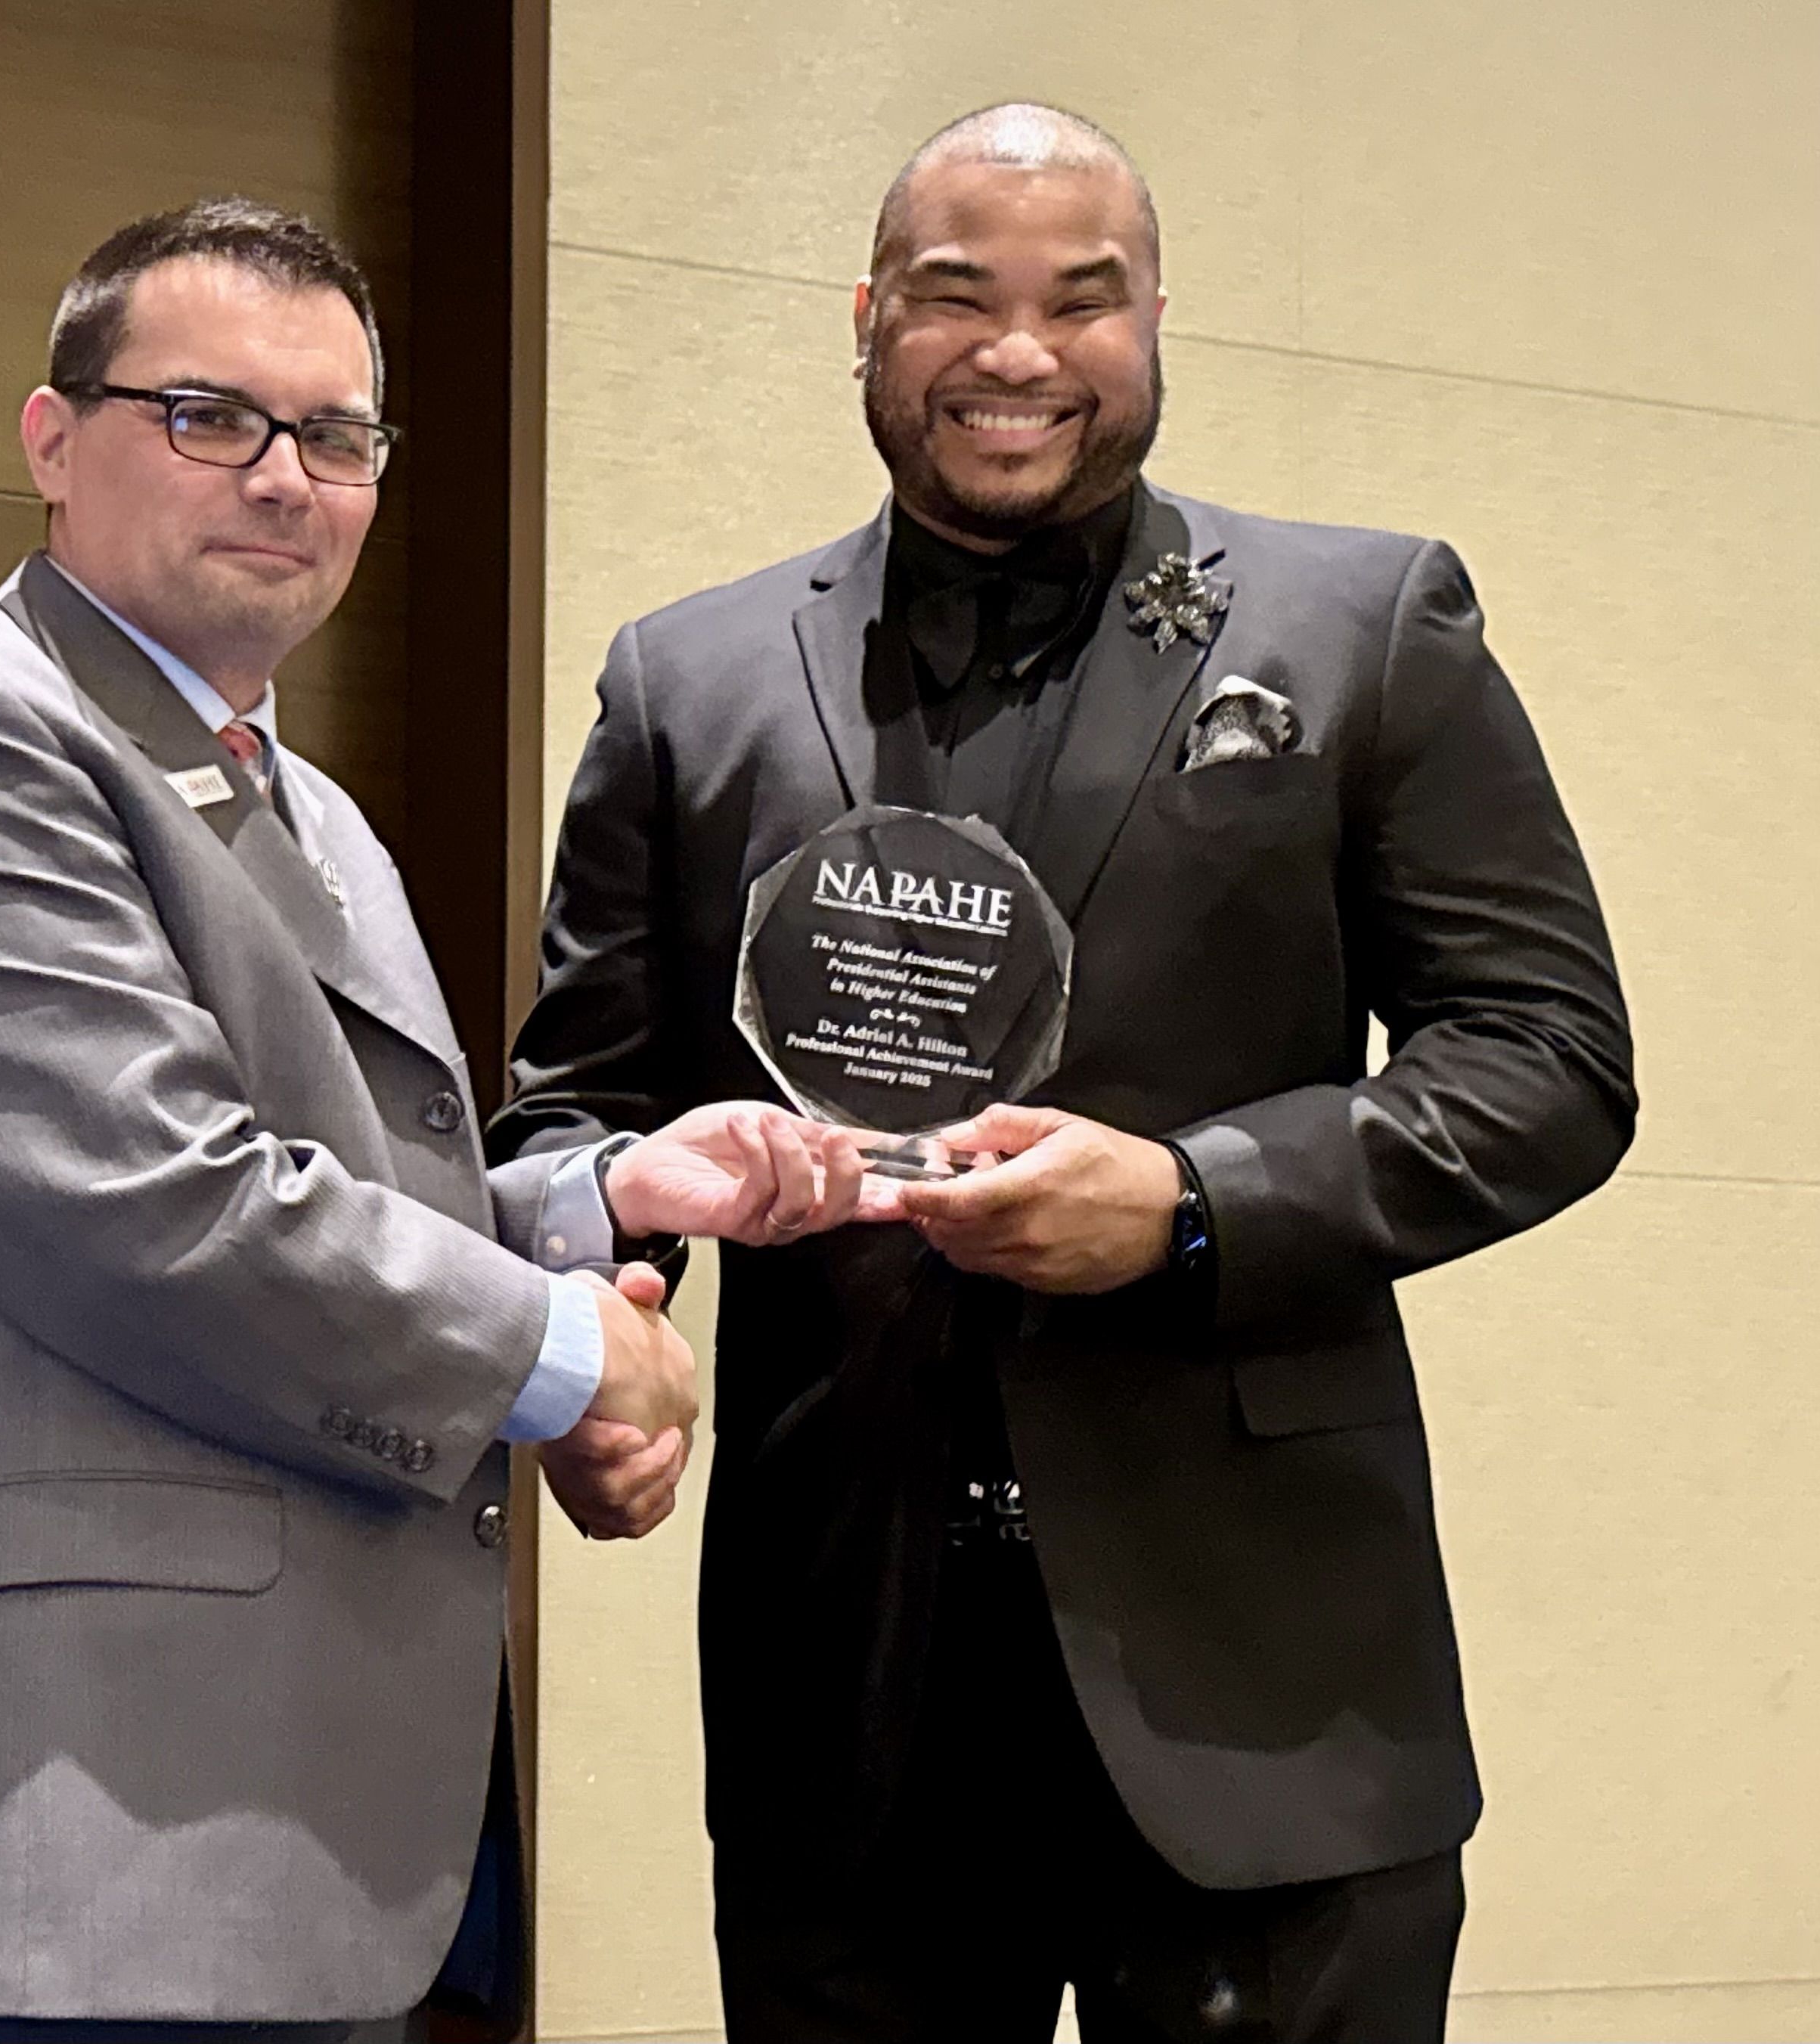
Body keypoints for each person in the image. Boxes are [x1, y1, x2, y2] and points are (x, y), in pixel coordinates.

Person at [488, 105, 1636, 2042]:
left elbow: (1552, 1059)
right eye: (955, 296)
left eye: (1079, 300)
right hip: (842, 1693)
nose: (1015, 352)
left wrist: (1193, 1203)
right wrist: (606, 1319)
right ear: (865, 318)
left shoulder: (1366, 628)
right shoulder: (687, 684)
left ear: (1158, 319)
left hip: (1269, 1696)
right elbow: (567, 1124)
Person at [0, 197, 863, 2044]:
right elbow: (160, 1208)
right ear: (50, 438)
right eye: (209, 415)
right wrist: (570, 1356)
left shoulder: (308, 807)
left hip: (302, 1835)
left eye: (336, 436)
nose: (283, 476)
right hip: (72, 1836)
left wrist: (599, 1201)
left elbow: (348, 1186)